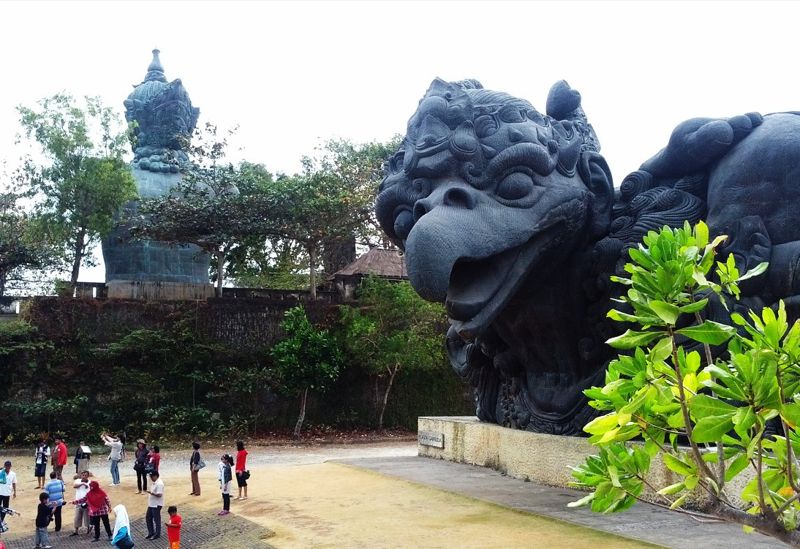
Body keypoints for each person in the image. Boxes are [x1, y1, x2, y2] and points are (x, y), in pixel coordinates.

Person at [70, 470, 91, 536]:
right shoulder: (78, 481)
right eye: (83, 475)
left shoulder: (90, 483)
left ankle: (88, 529)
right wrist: (82, 484)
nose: (84, 477)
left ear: (88, 476)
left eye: (85, 475)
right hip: (78, 502)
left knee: (87, 517)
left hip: (86, 503)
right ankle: (76, 530)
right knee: (77, 517)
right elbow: (74, 486)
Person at [145, 471, 164, 540]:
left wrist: (151, 493)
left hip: (156, 504)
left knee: (156, 520)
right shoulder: (154, 482)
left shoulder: (159, 484)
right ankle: (151, 532)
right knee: (148, 518)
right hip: (152, 504)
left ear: (155, 476)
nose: (151, 478)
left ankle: (157, 534)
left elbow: (159, 494)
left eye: (152, 476)